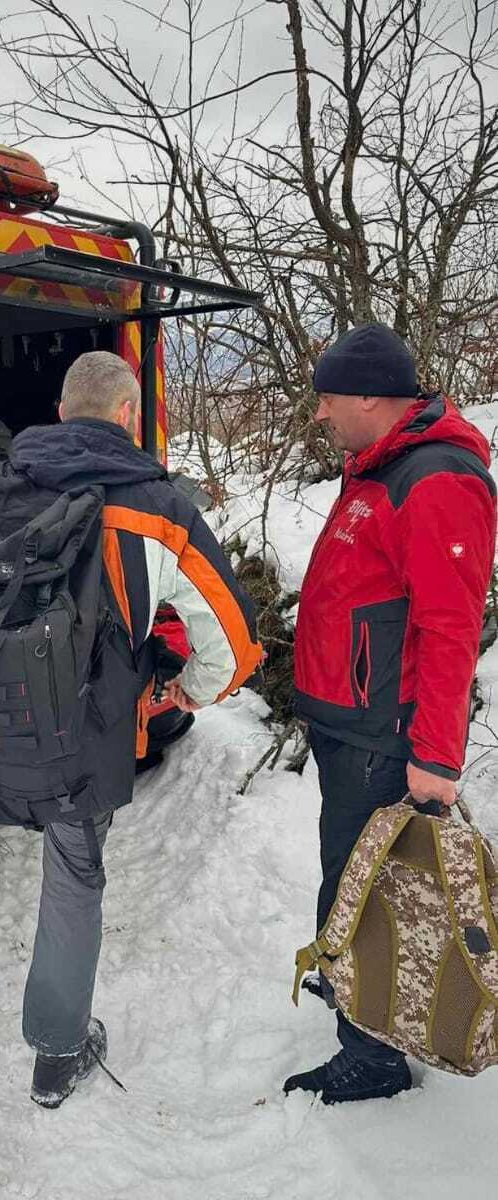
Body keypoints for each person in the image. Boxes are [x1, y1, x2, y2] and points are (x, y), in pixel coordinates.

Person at [0, 350, 262, 1109]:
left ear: (59, 412)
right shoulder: (162, 508)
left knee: (53, 836)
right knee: (74, 874)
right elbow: (235, 639)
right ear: (128, 416)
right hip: (86, 740)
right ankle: (57, 1054)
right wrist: (185, 693)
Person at [286, 322, 497, 1104]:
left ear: (371, 395)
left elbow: (451, 627)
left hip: (386, 729)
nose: (321, 414)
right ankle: (354, 988)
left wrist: (437, 757)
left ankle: (372, 1054)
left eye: (329, 398)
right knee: (349, 875)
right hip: (350, 722)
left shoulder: (436, 478)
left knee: (364, 883)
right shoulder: (380, 468)